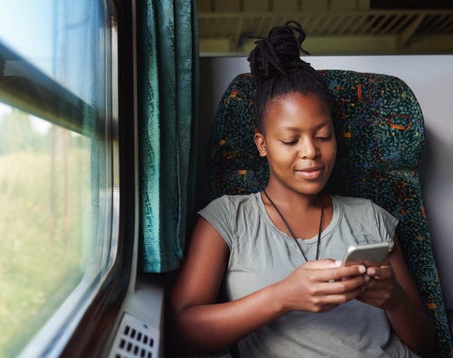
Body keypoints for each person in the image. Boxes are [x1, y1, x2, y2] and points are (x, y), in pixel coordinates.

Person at [170, 21, 436, 357]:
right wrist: (282, 297)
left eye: (323, 136)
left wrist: (394, 300)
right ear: (262, 144)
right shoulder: (228, 219)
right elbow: (183, 330)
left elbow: (427, 344)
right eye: (290, 140)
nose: (311, 151)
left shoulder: (371, 217)